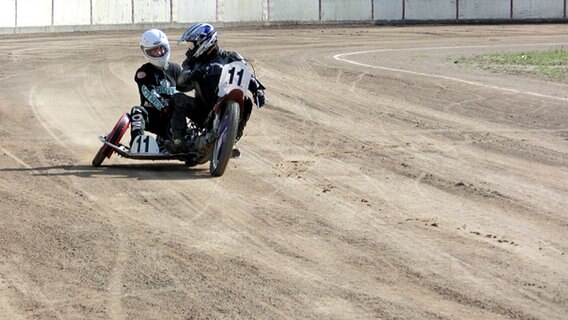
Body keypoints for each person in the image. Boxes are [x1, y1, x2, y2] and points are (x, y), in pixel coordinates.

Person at [165, 22, 266, 154]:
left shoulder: (231, 57)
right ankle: (178, 141)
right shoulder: (192, 62)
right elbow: (180, 82)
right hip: (202, 109)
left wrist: (257, 89)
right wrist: (193, 74)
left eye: (192, 44)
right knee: (177, 98)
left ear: (205, 42)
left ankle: (232, 140)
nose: (190, 48)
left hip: (225, 100)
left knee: (246, 101)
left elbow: (246, 73)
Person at [130, 29, 183, 148]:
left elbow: (186, 88)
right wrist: (164, 106)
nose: (159, 52)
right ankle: (136, 143)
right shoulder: (143, 72)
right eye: (154, 51)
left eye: (161, 48)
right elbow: (148, 92)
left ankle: (167, 140)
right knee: (137, 111)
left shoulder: (175, 69)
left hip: (171, 118)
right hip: (151, 116)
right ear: (147, 52)